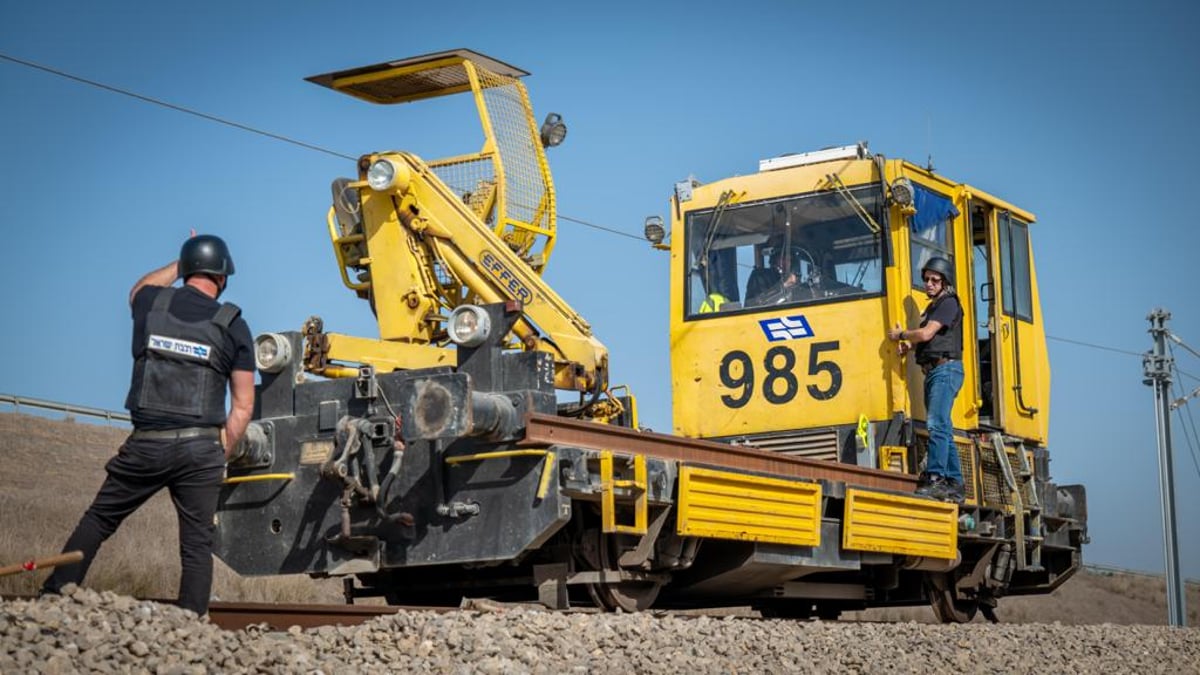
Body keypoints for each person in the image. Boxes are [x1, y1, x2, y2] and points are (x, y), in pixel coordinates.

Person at [41, 234, 255, 616]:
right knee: (195, 542)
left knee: (99, 519)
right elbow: (242, 406)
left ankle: (55, 595)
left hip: (147, 444)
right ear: (223, 277)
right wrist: (216, 452)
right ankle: (191, 620)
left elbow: (138, 287)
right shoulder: (233, 325)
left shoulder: (150, 303)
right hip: (201, 447)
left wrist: (180, 261)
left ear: (186, 270)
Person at [887, 256, 965, 503]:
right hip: (935, 372)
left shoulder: (948, 303)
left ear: (945, 282)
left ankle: (935, 478)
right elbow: (928, 339)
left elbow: (927, 333)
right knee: (943, 427)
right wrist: (909, 345)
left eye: (935, 280)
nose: (929, 284)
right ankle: (955, 484)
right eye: (926, 279)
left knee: (936, 425)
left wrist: (901, 335)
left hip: (946, 370)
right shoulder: (934, 307)